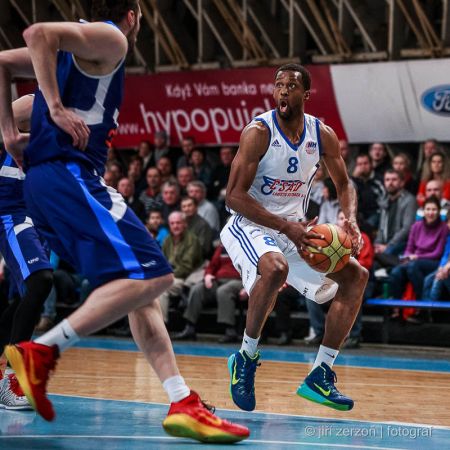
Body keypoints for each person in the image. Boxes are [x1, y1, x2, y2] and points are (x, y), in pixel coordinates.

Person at [0, 2, 249, 443]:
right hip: (69, 176)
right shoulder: (111, 37)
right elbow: (37, 33)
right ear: (132, 14)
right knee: (157, 275)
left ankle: (181, 401)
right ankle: (41, 354)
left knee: (141, 296)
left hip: (54, 181)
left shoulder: (68, 52)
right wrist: (54, 107)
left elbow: (2, 61)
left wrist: (8, 131)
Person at [221, 63, 368, 413]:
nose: (283, 91)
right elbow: (233, 196)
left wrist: (350, 219)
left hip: (295, 229)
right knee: (274, 269)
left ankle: (320, 373)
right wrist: (287, 227)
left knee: (356, 277)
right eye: (278, 85)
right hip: (250, 223)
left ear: (306, 94)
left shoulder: (322, 134)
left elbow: (344, 183)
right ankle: (245, 356)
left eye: (291, 86)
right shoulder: (258, 132)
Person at [0, 95, 53, 410]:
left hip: (40, 209)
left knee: (24, 298)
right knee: (40, 281)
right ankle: (13, 379)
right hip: (11, 206)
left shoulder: (87, 110)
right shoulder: (34, 103)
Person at [172, 244, 245, 343]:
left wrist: (247, 288)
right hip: (218, 280)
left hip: (239, 281)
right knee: (197, 289)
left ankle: (230, 331)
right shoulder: (223, 246)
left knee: (223, 291)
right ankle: (190, 328)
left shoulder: (249, 246)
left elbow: (255, 269)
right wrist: (208, 276)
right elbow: (212, 266)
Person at [388, 196, 448, 301]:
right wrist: (407, 257)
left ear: (438, 211)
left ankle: (421, 303)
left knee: (412, 267)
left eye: (434, 209)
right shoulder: (416, 226)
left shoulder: (443, 228)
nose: (430, 212)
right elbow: (409, 248)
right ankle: (396, 308)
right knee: (396, 272)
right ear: (423, 211)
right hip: (414, 260)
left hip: (433, 261)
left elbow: (437, 253)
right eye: (428, 209)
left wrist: (416, 257)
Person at [158, 211, 203, 324]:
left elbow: (187, 267)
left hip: (186, 278)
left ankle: (161, 324)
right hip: (169, 276)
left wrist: (167, 276)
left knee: (162, 289)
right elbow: (162, 261)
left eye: (178, 223)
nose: (175, 226)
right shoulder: (167, 240)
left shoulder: (192, 240)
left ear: (184, 224)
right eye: (172, 223)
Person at [373, 169, 417, 271]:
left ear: (402, 182)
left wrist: (388, 246)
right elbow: (381, 227)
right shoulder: (384, 200)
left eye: (394, 179)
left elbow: (407, 228)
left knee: (378, 258)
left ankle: (395, 264)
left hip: (401, 244)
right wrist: (377, 244)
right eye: (387, 180)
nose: (390, 183)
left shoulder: (410, 200)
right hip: (385, 244)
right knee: (371, 258)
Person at [423, 211, 450, 300]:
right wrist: (441, 267)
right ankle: (426, 309)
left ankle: (432, 310)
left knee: (437, 282)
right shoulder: (448, 237)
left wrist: (447, 267)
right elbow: (445, 255)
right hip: (445, 268)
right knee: (428, 280)